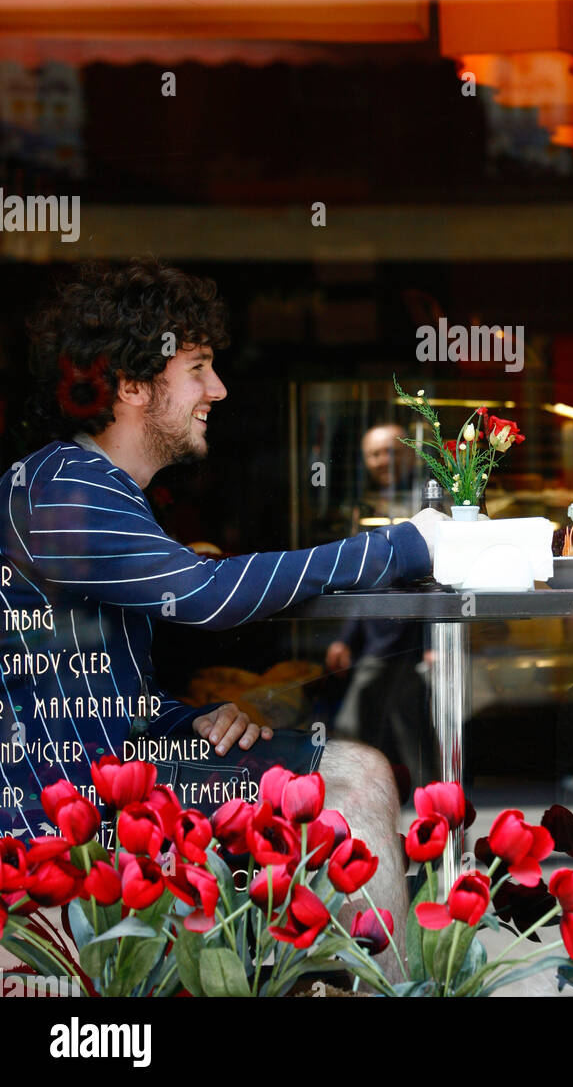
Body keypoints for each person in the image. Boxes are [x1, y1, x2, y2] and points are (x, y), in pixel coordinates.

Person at [0, 258, 444, 958]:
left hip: (120, 769)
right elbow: (206, 597)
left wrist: (188, 716)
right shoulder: (64, 487)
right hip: (58, 815)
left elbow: (97, 689)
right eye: (199, 367)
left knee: (359, 770)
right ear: (131, 385)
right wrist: (409, 546)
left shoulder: (91, 486)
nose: (220, 388)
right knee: (354, 790)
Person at [325, 423, 431, 785]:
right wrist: (345, 638)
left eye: (393, 450)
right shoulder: (362, 504)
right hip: (377, 634)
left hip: (413, 635)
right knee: (403, 725)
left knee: (366, 727)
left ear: (409, 453)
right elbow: (357, 578)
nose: (384, 460)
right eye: (375, 453)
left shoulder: (429, 499)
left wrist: (435, 641)